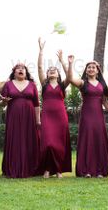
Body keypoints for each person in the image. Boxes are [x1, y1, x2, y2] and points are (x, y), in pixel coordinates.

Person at [69, 57, 108, 178]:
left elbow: (104, 101)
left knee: (99, 140)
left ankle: (100, 170)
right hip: (87, 115)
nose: (91, 69)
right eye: (89, 67)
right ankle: (86, 170)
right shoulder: (83, 83)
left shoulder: (102, 85)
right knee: (88, 139)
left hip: (99, 115)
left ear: (97, 70)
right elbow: (70, 79)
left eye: (93, 67)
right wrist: (69, 64)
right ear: (86, 70)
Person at [37, 38, 72, 178]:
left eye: (54, 70)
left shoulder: (62, 85)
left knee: (59, 144)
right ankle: (47, 168)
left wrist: (65, 62)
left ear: (58, 74)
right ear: (47, 74)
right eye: (49, 70)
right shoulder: (44, 85)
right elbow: (39, 68)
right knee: (48, 143)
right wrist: (41, 51)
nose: (52, 71)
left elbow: (69, 76)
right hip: (47, 117)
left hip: (60, 117)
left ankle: (57, 170)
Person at [1, 63, 41, 178]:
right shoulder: (8, 84)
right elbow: (3, 103)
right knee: (15, 139)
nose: (20, 70)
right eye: (18, 68)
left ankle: (30, 167)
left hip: (29, 117)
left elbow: (37, 104)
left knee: (28, 139)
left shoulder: (32, 85)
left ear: (26, 72)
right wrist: (4, 101)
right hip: (13, 116)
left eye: (23, 68)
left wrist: (38, 120)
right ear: (14, 72)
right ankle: (13, 168)